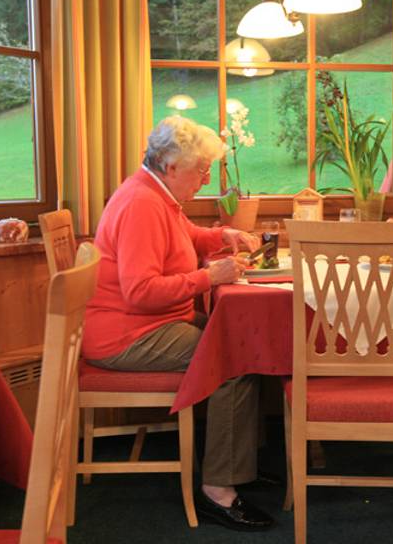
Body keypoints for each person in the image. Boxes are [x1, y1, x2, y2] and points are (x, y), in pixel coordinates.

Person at [82, 115, 274, 531]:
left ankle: (240, 465)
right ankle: (219, 489)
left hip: (150, 324)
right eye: (201, 170)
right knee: (233, 358)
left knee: (248, 340)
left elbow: (184, 233)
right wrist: (209, 277)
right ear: (171, 166)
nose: (206, 179)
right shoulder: (141, 204)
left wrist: (222, 236)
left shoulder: (156, 193)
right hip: (127, 335)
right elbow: (141, 291)